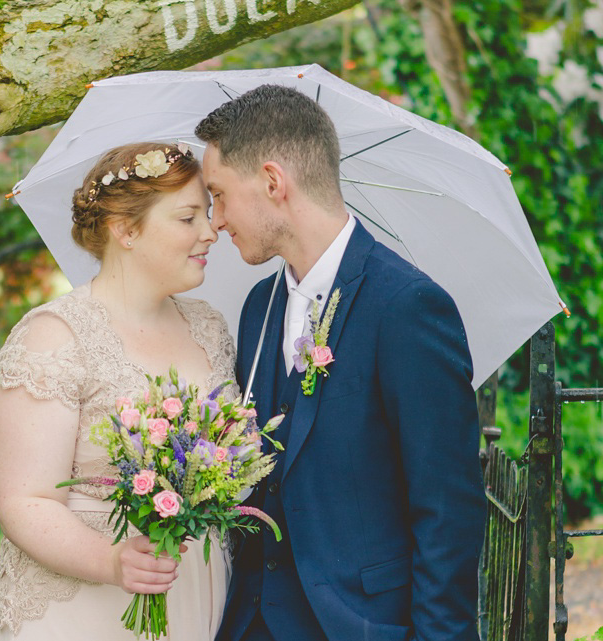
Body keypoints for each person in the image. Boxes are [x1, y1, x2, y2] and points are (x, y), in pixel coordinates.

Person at [195, 85, 486, 641]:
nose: (216, 220)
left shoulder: (407, 306)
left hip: (363, 624)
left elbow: (447, 507)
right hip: (251, 623)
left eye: (220, 195)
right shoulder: (259, 307)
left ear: (273, 182)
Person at [0, 141, 235, 640]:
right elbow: (25, 500)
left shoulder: (211, 328)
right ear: (126, 230)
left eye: (207, 215)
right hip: (81, 609)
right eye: (188, 218)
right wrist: (114, 560)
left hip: (190, 591)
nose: (210, 232)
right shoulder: (54, 334)